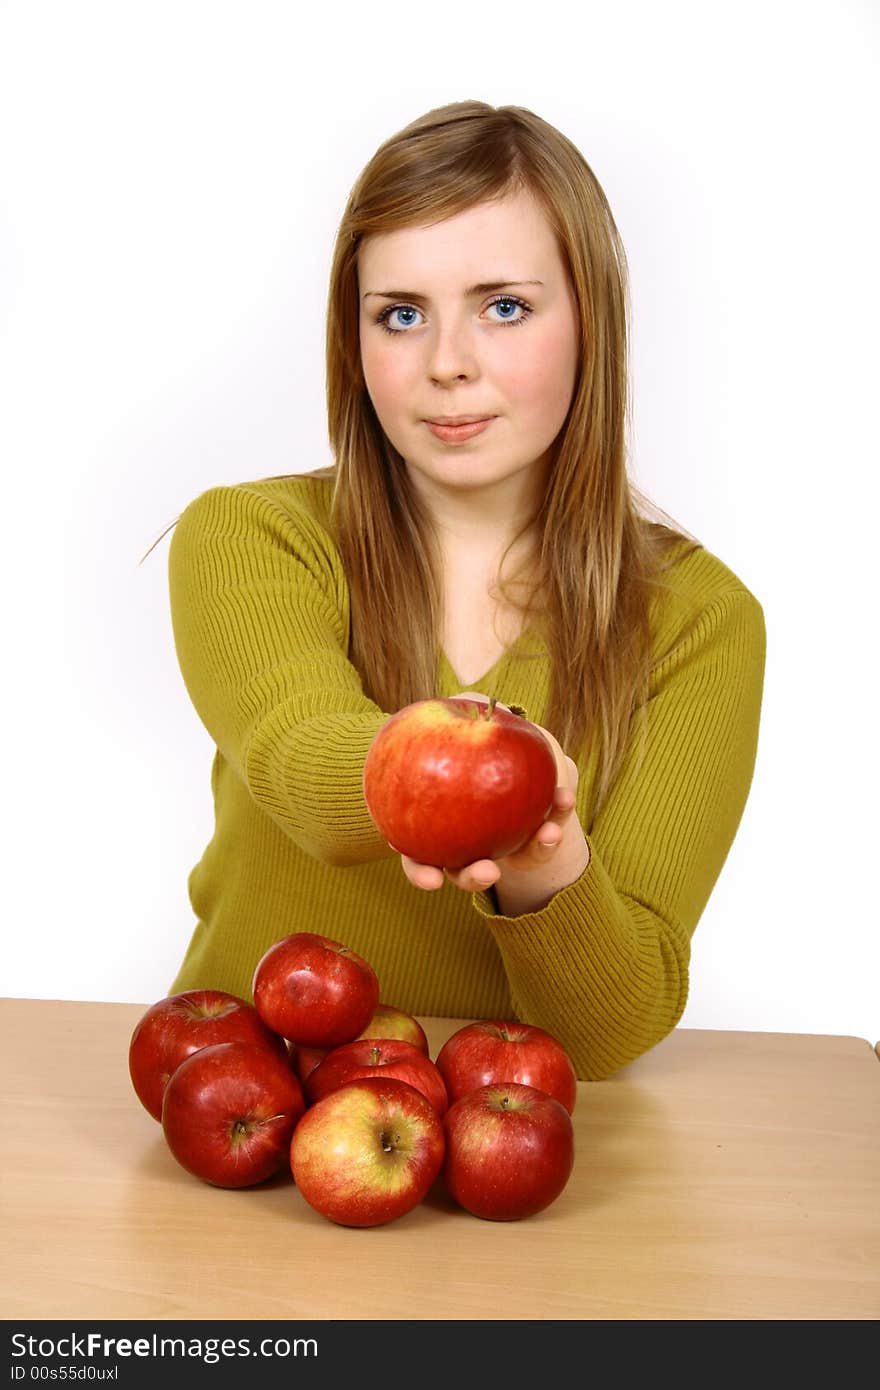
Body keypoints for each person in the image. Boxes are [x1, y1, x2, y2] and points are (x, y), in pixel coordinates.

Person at [161, 100, 766, 1081]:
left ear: (590, 322)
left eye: (504, 306)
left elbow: (612, 1031)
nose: (447, 362)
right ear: (353, 342)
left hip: (511, 1170)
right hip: (248, 1115)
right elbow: (309, 769)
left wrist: (547, 859)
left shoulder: (701, 621)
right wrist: (491, 793)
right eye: (400, 313)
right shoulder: (251, 537)